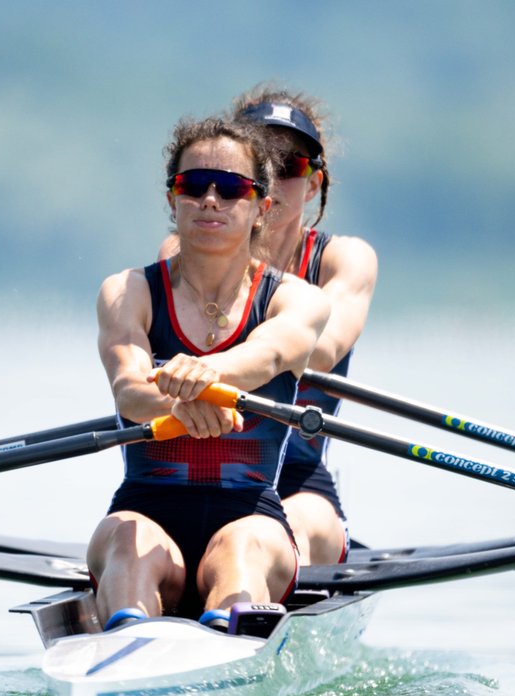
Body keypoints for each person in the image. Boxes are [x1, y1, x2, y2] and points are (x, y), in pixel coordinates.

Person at [87, 115, 330, 631]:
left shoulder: (297, 299)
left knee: (240, 551)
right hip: (146, 507)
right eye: (193, 185)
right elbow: (131, 391)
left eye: (232, 188)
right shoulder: (128, 291)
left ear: (263, 206)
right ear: (173, 199)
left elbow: (264, 357)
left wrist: (201, 376)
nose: (210, 200)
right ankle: (129, 637)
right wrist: (186, 401)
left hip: (252, 513)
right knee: (123, 541)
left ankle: (226, 633)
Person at [160, 86, 378, 567]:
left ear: (315, 183)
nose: (276, 179)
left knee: (286, 525)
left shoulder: (343, 259)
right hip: (191, 477)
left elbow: (321, 352)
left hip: (297, 480)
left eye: (292, 165)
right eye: (261, 161)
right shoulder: (180, 254)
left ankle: (255, 575)